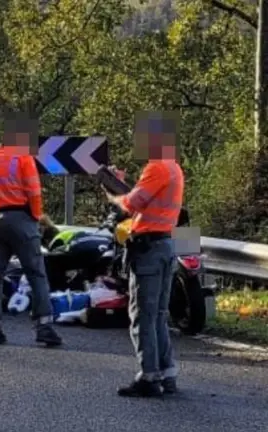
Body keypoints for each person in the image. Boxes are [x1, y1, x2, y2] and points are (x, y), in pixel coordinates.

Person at [103, 113, 184, 398]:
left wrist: (112, 193)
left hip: (148, 249)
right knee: (159, 315)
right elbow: (146, 198)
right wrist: (120, 182)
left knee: (142, 315)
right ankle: (167, 373)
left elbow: (132, 203)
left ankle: (148, 376)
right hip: (165, 245)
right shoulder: (173, 167)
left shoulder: (156, 166)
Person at [0, 124, 62, 346]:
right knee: (36, 273)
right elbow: (34, 192)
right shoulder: (23, 158)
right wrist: (36, 218)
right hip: (22, 218)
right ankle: (44, 327)